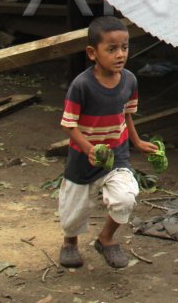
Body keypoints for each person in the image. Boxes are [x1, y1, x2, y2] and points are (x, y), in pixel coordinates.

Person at [58, 16, 157, 269]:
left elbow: (126, 115)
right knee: (73, 213)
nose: (120, 54)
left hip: (117, 157)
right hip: (83, 160)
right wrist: (89, 148)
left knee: (126, 198)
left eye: (124, 47)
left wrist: (136, 141)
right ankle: (70, 242)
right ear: (92, 53)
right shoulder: (81, 86)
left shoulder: (130, 81)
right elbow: (69, 124)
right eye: (111, 49)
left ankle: (106, 239)